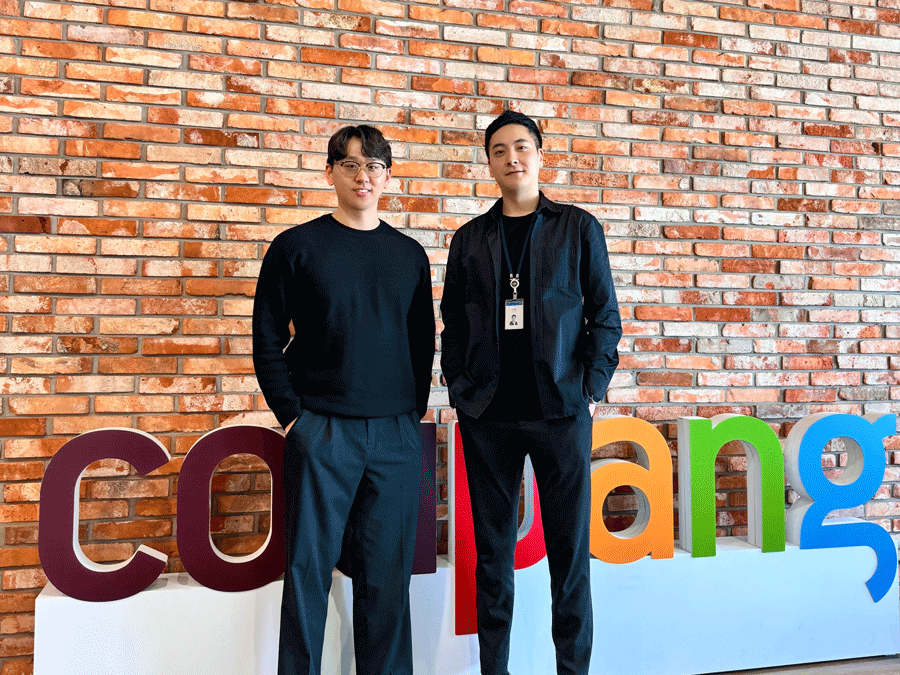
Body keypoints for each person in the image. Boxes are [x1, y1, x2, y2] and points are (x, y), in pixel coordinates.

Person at [440, 110, 622, 675]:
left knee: (569, 559)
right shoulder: (471, 238)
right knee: (491, 557)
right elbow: (453, 322)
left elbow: (605, 319)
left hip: (560, 412)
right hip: (488, 416)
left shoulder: (577, 228)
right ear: (489, 162)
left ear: (540, 155)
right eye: (499, 150)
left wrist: (590, 390)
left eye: (521, 147)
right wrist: (459, 388)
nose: (511, 158)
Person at [252, 124, 435, 675]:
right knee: (307, 575)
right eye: (351, 164)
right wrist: (293, 419)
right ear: (329, 172)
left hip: (395, 436)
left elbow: (423, 342)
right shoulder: (296, 247)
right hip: (322, 431)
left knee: (387, 581)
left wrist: (409, 413)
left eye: (374, 166)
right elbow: (266, 338)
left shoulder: (408, 255)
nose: (363, 175)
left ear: (388, 177)